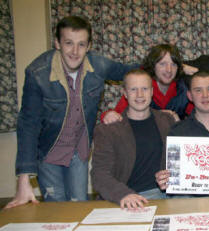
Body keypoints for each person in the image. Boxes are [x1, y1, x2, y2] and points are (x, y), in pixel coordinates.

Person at [5, 16, 136, 209]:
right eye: (68, 43)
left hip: (79, 152)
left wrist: (170, 66)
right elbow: (28, 124)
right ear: (57, 43)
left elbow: (132, 71)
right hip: (48, 152)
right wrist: (23, 181)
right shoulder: (37, 73)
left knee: (79, 206)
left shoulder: (99, 65)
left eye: (81, 44)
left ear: (89, 45)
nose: (75, 52)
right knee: (56, 209)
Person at [91, 69, 175, 209]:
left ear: (152, 91)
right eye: (133, 89)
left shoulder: (168, 121)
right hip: (133, 196)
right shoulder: (108, 130)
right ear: (125, 93)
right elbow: (99, 174)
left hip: (169, 195)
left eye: (144, 89)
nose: (140, 95)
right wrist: (123, 194)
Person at [101, 44, 194, 124]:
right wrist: (108, 115)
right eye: (162, 64)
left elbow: (198, 116)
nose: (169, 70)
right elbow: (117, 113)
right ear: (153, 66)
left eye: (173, 64)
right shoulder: (141, 87)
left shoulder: (183, 88)